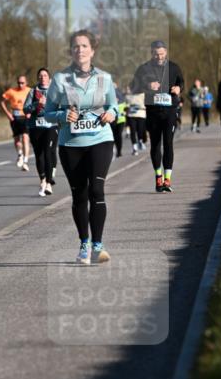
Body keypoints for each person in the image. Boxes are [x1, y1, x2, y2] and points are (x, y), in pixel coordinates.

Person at [44, 30, 118, 265]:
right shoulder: (59, 79)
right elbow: (47, 113)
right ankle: (84, 244)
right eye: (76, 46)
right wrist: (64, 115)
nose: (80, 50)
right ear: (71, 51)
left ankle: (98, 245)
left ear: (92, 50)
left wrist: (111, 114)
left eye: (84, 46)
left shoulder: (104, 78)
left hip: (100, 139)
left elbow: (114, 107)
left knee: (97, 189)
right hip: (71, 144)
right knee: (79, 194)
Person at [130, 40, 184, 193]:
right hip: (153, 112)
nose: (159, 57)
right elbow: (133, 87)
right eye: (156, 54)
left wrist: (179, 88)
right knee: (155, 144)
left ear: (166, 52)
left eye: (161, 54)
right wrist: (147, 86)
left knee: (168, 143)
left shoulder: (174, 67)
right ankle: (158, 178)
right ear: (151, 53)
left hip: (170, 112)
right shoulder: (143, 69)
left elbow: (182, 82)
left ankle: (167, 180)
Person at [23, 68, 58, 196]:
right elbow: (25, 109)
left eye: (45, 75)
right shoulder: (33, 91)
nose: (43, 77)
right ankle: (42, 179)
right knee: (39, 155)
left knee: (48, 152)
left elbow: (60, 106)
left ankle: (49, 182)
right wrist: (37, 103)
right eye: (40, 75)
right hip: (35, 126)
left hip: (51, 126)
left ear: (49, 78)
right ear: (38, 78)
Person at [1, 75, 31, 170]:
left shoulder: (30, 91)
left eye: (22, 83)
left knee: (25, 138)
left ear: (26, 83)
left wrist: (30, 112)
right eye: (19, 83)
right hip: (15, 118)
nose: (20, 85)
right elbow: (2, 102)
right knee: (17, 140)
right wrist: (8, 114)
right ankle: (20, 154)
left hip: (25, 117)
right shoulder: (11, 91)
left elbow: (36, 103)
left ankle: (25, 161)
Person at [125, 87, 147, 155]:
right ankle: (134, 148)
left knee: (140, 130)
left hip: (141, 114)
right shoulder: (128, 95)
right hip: (131, 115)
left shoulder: (143, 94)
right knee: (133, 131)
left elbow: (146, 103)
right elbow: (126, 104)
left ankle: (140, 141)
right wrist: (127, 107)